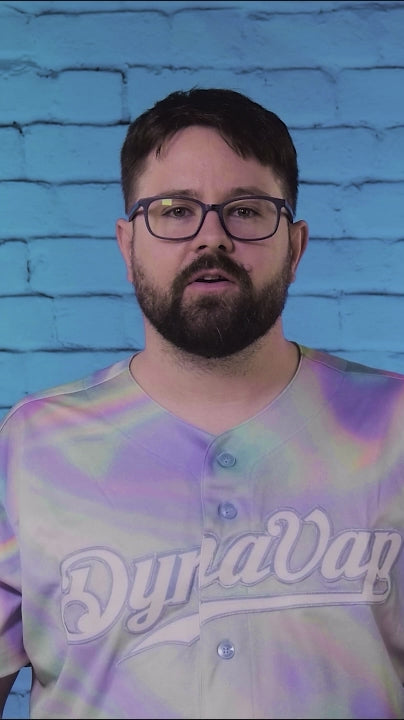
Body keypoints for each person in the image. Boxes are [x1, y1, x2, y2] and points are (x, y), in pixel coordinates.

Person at [0, 87, 403, 720]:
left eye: (246, 210)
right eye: (174, 210)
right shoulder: (35, 444)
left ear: (296, 247)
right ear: (127, 244)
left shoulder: (393, 425)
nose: (211, 237)